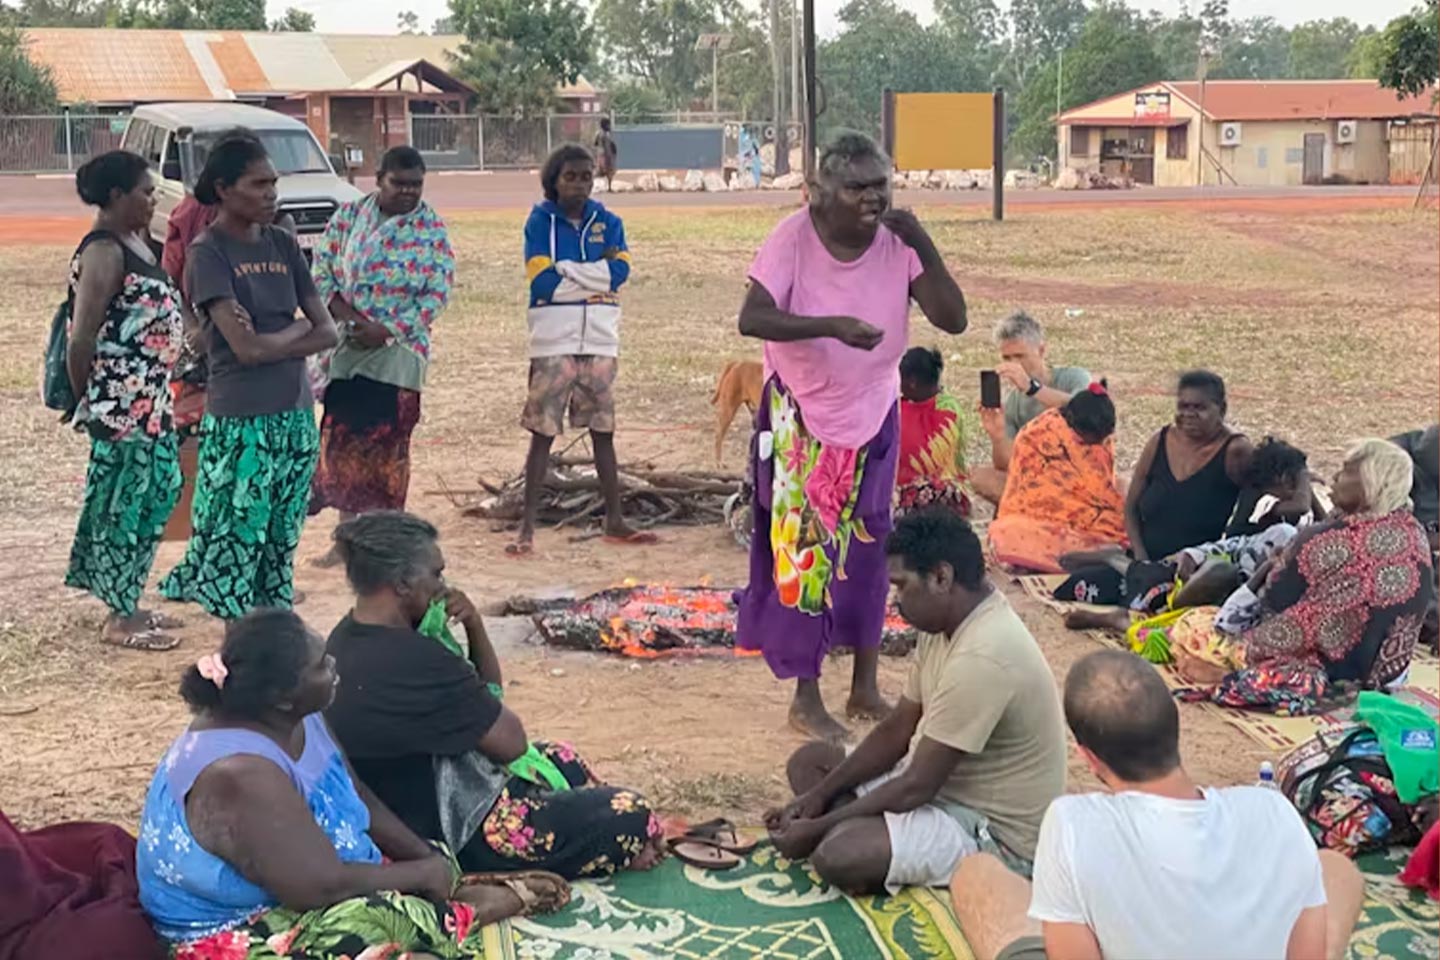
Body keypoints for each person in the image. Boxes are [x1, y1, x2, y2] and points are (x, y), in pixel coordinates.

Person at [137, 608, 567, 958]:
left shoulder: (298, 713)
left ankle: (446, 905)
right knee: (367, 923)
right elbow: (316, 887)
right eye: (321, 665)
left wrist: (432, 863)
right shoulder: (240, 772)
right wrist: (419, 873)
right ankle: (468, 912)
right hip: (231, 928)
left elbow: (354, 792)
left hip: (314, 873)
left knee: (424, 861)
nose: (335, 667)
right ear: (284, 696)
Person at [734, 132, 968, 741]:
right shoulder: (793, 237)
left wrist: (923, 243)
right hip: (803, 415)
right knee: (805, 553)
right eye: (857, 187)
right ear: (819, 192)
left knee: (870, 547)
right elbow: (752, 317)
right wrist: (830, 326)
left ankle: (864, 686)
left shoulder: (898, 243)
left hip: (873, 409)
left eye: (881, 186)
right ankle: (805, 697)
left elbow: (953, 318)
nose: (872, 198)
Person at [950, 649, 1365, 960]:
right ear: (1176, 723)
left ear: (1088, 757)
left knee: (976, 873)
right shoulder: (1273, 812)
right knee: (1336, 868)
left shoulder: (1072, 824)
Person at [324, 511, 665, 879]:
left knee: (563, 759)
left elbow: (488, 705)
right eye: (435, 574)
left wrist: (474, 625)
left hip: (416, 802)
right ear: (403, 582)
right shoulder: (416, 656)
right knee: (631, 812)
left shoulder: (345, 636)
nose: (443, 586)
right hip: (456, 826)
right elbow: (511, 743)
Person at [766, 510, 1065, 895]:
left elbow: (917, 786)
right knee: (810, 764)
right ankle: (851, 825)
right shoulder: (947, 623)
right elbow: (896, 731)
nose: (895, 602)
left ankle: (850, 831)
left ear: (941, 577)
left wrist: (821, 825)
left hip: (994, 834)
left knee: (837, 853)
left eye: (901, 586)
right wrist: (817, 797)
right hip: (946, 793)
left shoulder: (984, 656)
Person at [160, 135, 339, 620]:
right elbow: (245, 349)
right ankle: (237, 635)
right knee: (238, 531)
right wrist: (292, 331)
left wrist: (272, 339)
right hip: (242, 417)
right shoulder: (208, 253)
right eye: (258, 184)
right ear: (223, 189)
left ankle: (272, 619)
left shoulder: (282, 242)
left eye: (273, 183)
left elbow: (328, 333)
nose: (271, 193)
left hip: (295, 412)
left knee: (282, 534)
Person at [1170, 438, 1434, 713]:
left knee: (1193, 625)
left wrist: (1264, 571)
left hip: (1318, 669)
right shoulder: (1415, 535)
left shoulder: (1320, 542)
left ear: (1371, 482)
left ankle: (1230, 674)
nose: (1335, 477)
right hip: (1384, 676)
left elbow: (1266, 607)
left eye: (1345, 471)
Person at [308, 147, 455, 567]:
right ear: (379, 178)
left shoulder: (430, 230)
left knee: (388, 446)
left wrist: (387, 330)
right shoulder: (349, 218)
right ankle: (346, 540)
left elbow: (437, 294)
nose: (408, 192)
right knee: (342, 444)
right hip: (348, 347)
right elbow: (321, 273)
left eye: (416, 184)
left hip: (399, 352)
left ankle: (386, 543)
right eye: (399, 183)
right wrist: (352, 320)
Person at [63, 150, 185, 651]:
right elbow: (81, 336)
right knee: (124, 506)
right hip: (121, 409)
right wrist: (89, 402)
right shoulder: (104, 251)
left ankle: (128, 597)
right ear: (116, 196)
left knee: (159, 494)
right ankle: (120, 615)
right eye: (146, 191)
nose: (153, 199)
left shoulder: (137, 242)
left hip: (152, 403)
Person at [511, 144, 646, 555]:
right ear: (554, 180)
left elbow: (620, 273)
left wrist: (567, 271)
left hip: (601, 340)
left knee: (603, 431)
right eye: (571, 176)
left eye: (587, 176)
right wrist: (595, 277)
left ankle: (615, 519)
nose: (580, 184)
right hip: (554, 341)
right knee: (543, 433)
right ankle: (527, 527)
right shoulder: (539, 223)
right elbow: (542, 283)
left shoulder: (609, 222)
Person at [988, 382, 1126, 574]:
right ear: (1072, 424)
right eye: (1091, 440)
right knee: (1005, 532)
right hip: (1036, 518)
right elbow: (1024, 491)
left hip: (1088, 517)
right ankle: (1088, 556)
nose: (1100, 445)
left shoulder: (1099, 432)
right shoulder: (1036, 434)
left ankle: (1085, 556)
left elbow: (1101, 488)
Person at [1125, 370, 1254, 561]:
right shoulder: (1160, 440)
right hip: (1144, 561)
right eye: (1183, 406)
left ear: (1222, 409)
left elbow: (1259, 502)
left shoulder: (1235, 451)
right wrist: (1140, 556)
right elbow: (1131, 508)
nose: (1188, 414)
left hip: (1197, 572)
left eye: (1199, 408)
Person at [971, 313, 1091, 505]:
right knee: (982, 477)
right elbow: (1005, 465)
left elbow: (1085, 410)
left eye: (1020, 356)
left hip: (1077, 473)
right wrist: (998, 437)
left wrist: (1031, 387)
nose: (1015, 364)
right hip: (1039, 479)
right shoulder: (1013, 402)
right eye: (1007, 358)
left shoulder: (1074, 377)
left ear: (1042, 350)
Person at [896, 347, 970, 519]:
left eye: (900, 380)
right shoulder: (951, 406)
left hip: (931, 497)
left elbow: (910, 452)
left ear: (912, 382)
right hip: (951, 498)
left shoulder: (944, 413)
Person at [1227, 436, 1328, 537]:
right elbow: (1301, 507)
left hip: (1266, 550)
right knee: (1286, 532)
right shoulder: (1258, 496)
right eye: (1296, 480)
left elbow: (1325, 525)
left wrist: (1308, 490)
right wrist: (1304, 478)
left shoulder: (1292, 502)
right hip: (1237, 549)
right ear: (1284, 479)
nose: (1301, 488)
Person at [593, 117, 618, 188]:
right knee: (608, 170)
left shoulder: (598, 133)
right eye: (608, 124)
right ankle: (609, 187)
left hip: (601, 153)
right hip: (606, 154)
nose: (609, 126)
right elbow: (608, 145)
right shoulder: (606, 134)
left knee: (601, 170)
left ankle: (609, 187)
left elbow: (595, 144)